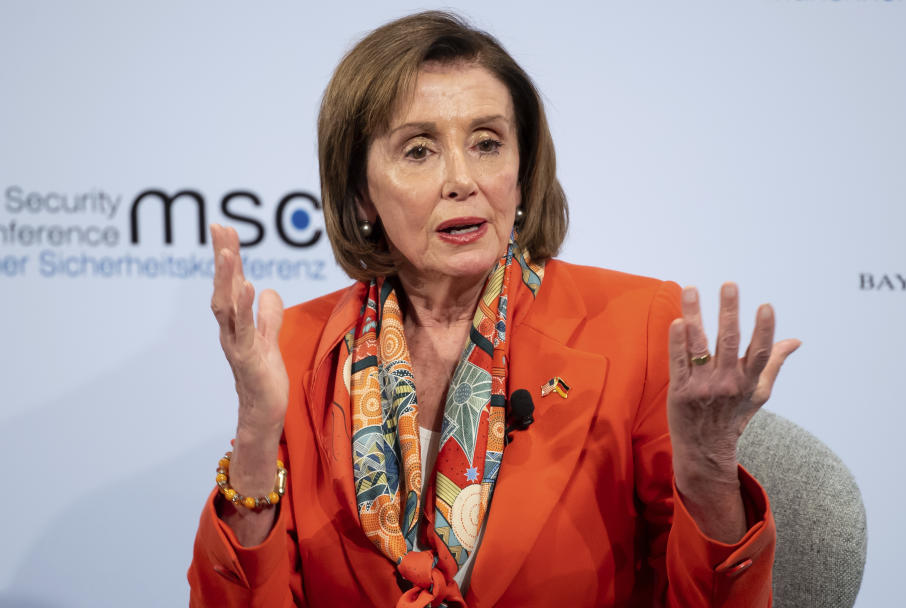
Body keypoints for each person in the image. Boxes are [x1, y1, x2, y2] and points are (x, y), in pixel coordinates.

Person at [188, 11, 800, 608]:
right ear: (359, 193)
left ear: (522, 169)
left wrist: (709, 468)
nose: (462, 179)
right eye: (419, 150)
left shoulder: (635, 327)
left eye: (487, 143)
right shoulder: (297, 347)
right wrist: (255, 434)